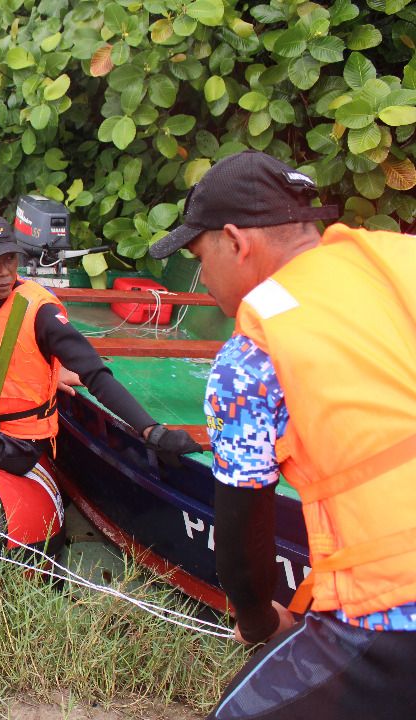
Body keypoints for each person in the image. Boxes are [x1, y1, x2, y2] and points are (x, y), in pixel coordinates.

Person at [147, 150, 416, 719]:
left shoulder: (251, 356)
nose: (204, 276)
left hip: (393, 605)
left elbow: (243, 528)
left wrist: (259, 619)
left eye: (200, 258)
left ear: (236, 241)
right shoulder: (400, 263)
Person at [0, 214, 200, 475]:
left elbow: (95, 374)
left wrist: (151, 430)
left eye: (10, 259)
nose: (4, 272)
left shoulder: (39, 311)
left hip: (17, 440)